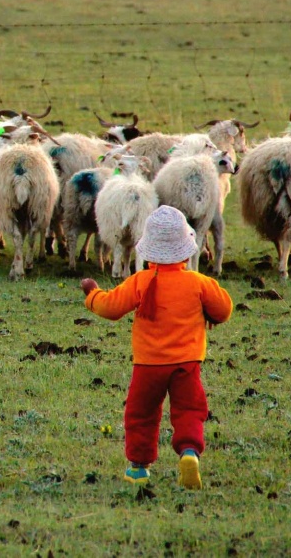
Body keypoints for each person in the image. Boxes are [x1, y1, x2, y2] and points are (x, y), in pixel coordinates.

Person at [80, 205, 233, 489]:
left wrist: (92, 294)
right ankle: (189, 452)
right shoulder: (199, 283)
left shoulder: (140, 281)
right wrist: (208, 313)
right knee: (189, 410)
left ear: (147, 251)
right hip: (187, 365)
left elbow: (111, 308)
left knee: (141, 414)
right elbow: (224, 310)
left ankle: (138, 467)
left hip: (147, 366)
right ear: (187, 251)